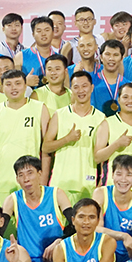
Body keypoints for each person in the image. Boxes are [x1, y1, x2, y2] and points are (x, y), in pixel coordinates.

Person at [1, 155, 74, 262]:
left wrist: (60, 241)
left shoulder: (56, 194)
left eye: (30, 173)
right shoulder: (12, 200)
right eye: (21, 175)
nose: (26, 179)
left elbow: (76, 225)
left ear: (40, 173)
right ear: (17, 179)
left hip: (57, 260)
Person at [0, 69, 49, 203]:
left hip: (31, 180)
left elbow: (47, 147)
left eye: (18, 83)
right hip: (2, 180)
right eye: (8, 84)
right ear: (2, 87)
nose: (13, 88)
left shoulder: (40, 108)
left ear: (25, 86)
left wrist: (44, 178)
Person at [44, 70, 105, 204]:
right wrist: (67, 139)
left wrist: (101, 180)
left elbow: (101, 156)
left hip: (87, 184)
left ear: (92, 88)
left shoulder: (101, 118)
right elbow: (46, 147)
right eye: (76, 87)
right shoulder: (60, 114)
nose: (80, 90)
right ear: (71, 89)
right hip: (60, 183)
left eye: (84, 86)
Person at [94, 81, 132, 195]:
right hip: (111, 186)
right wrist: (117, 144)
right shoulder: (107, 123)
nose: (130, 101)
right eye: (125, 97)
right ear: (119, 99)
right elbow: (97, 157)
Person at [15, 16, 58, 89]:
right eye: (39, 31)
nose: (43, 34)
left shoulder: (59, 58)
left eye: (47, 30)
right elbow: (13, 83)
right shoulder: (21, 56)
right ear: (33, 34)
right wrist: (25, 82)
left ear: (53, 32)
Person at [92, 39, 131, 116]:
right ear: (101, 57)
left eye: (115, 55)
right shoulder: (91, 82)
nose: (111, 58)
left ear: (121, 59)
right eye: (107, 54)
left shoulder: (128, 85)